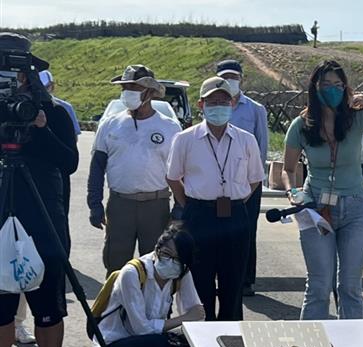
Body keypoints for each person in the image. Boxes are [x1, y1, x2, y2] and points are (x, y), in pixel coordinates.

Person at [281, 60, 363, 320]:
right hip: (316, 207)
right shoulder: (301, 125)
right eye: (326, 84)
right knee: (319, 285)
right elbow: (288, 168)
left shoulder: (358, 117)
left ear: (346, 88)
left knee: (350, 286)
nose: (332, 90)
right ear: (314, 87)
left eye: (338, 85)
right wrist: (293, 192)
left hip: (355, 208)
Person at [0, 33, 79, 347]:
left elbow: (69, 163)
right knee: (0, 308)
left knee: (48, 305)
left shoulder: (56, 113)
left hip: (43, 217)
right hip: (1, 214)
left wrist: (41, 127)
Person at [167, 77, 264, 321]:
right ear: (201, 105)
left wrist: (237, 200)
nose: (218, 106)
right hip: (199, 215)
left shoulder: (245, 139)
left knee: (233, 284)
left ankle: (231, 340)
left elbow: (254, 179)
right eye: (212, 101)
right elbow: (172, 176)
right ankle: (201, 346)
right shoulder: (185, 139)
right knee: (200, 283)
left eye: (224, 101)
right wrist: (188, 204)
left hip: (235, 215)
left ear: (232, 104)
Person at [87, 65, 182, 276]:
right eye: (125, 87)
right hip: (120, 205)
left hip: (156, 206)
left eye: (134, 87)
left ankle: (156, 310)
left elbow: (181, 173)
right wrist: (94, 204)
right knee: (116, 265)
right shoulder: (111, 124)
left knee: (157, 266)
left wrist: (179, 209)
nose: (128, 92)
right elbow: (97, 167)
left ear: (149, 92)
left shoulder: (170, 128)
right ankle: (115, 308)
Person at [93, 225, 204, 347]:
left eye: (178, 259)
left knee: (194, 341)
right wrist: (184, 319)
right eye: (166, 254)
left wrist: (189, 320)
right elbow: (142, 329)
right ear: (156, 250)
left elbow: (197, 314)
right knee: (158, 343)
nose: (170, 262)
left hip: (150, 338)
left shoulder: (182, 273)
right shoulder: (133, 273)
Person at [215, 59, 269, 297]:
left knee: (247, 230)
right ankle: (221, 275)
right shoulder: (213, 106)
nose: (230, 82)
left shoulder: (255, 109)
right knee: (219, 229)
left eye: (234, 77)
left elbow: (262, 145)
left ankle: (247, 280)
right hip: (218, 181)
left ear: (241, 79)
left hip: (248, 181)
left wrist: (255, 179)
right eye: (225, 77)